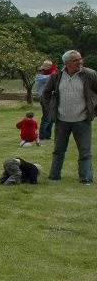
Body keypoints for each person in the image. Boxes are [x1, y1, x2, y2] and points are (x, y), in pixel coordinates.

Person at [41, 50, 97, 185]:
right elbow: (46, 94)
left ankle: (86, 179)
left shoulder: (90, 74)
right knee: (58, 151)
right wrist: (50, 110)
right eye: (76, 60)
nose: (80, 62)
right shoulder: (56, 76)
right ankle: (54, 176)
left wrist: (94, 111)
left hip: (82, 120)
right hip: (61, 121)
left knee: (85, 152)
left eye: (80, 59)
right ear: (66, 63)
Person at [35, 59, 57, 140]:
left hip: (50, 97)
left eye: (43, 70)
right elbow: (50, 77)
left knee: (51, 118)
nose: (41, 71)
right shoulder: (39, 77)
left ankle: (47, 135)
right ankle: (42, 135)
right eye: (40, 70)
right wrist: (53, 70)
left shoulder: (46, 75)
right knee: (46, 117)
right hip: (44, 98)